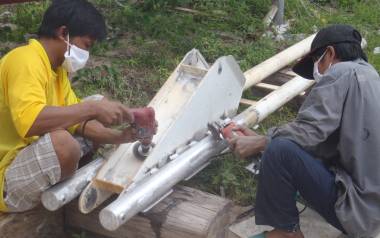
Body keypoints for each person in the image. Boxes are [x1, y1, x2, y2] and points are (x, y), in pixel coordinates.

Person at [228, 24, 380, 238]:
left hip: (360, 212)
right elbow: (322, 142)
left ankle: (285, 232)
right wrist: (263, 140)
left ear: (330, 53)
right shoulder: (371, 77)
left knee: (279, 151)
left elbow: (309, 131)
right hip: (373, 209)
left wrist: (264, 143)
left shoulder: (340, 72)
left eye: (317, 63)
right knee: (282, 147)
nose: (318, 74)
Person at [0, 0, 149, 212]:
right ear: (63, 33)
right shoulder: (24, 61)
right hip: (6, 177)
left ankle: (67, 177)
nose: (87, 54)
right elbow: (31, 121)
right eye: (86, 45)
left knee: (95, 103)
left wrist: (120, 137)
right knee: (63, 142)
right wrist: (92, 110)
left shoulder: (57, 71)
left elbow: (78, 123)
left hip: (28, 157)